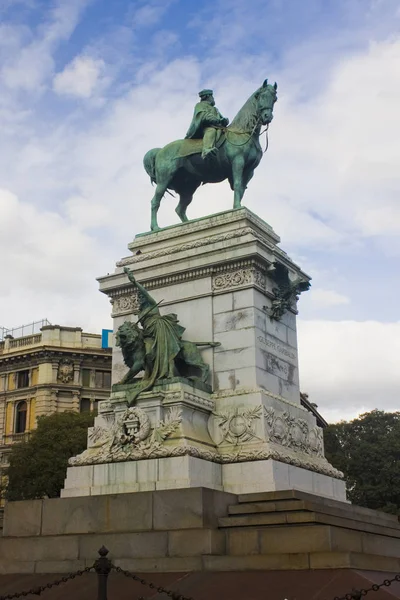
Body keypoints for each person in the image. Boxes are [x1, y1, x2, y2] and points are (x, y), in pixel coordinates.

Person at [123, 267, 185, 387]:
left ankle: (169, 372)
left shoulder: (152, 304)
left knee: (164, 350)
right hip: (148, 333)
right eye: (139, 298)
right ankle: (150, 373)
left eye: (141, 297)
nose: (140, 299)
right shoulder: (141, 312)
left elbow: (145, 293)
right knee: (147, 351)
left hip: (159, 329)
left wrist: (134, 282)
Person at [185, 89, 229, 159]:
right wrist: (217, 120)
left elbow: (221, 118)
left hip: (219, 128)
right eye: (212, 97)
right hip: (205, 128)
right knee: (211, 131)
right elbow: (203, 115)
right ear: (208, 96)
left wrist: (224, 121)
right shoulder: (200, 105)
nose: (213, 99)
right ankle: (206, 150)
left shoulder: (215, 109)